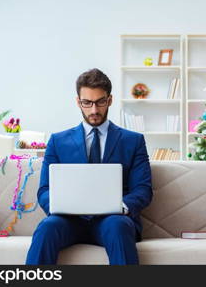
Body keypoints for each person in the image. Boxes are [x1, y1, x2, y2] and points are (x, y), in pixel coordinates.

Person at [25, 68, 153, 265]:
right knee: (47, 228)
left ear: (110, 100)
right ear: (78, 102)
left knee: (118, 226)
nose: (94, 110)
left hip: (112, 220)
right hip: (69, 221)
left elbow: (142, 190)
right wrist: (58, 206)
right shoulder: (58, 141)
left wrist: (121, 207)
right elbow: (44, 190)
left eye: (100, 102)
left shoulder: (133, 141)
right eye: (87, 103)